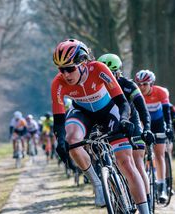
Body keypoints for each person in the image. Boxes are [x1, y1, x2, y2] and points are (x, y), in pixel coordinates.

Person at [51, 38, 149, 213]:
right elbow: (59, 119)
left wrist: (125, 120)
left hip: (110, 111)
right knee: (72, 139)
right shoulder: (58, 83)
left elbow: (122, 103)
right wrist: (60, 141)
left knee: (126, 163)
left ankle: (145, 211)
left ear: (82, 62)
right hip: (82, 114)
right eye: (61, 69)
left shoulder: (98, 69)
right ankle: (97, 184)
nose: (65, 74)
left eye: (70, 68)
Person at [98, 53, 155, 211]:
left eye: (111, 74)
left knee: (136, 162)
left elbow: (143, 111)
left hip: (132, 123)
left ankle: (146, 204)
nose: (106, 79)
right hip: (111, 125)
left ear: (118, 72)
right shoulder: (97, 87)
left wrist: (148, 129)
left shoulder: (128, 85)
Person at [135, 70, 173, 204]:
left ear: (152, 84)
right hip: (144, 123)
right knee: (140, 153)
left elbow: (167, 111)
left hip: (158, 124)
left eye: (145, 84)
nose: (141, 87)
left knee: (159, 154)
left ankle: (161, 187)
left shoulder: (161, 92)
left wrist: (168, 127)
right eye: (139, 84)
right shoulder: (137, 93)